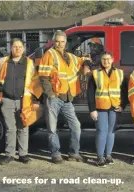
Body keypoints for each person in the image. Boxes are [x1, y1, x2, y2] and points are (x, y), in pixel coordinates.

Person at [38, 30, 87, 164]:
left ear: (66, 42)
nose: (60, 44)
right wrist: (50, 94)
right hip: (54, 97)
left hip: (67, 98)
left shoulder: (70, 56)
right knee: (52, 129)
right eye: (57, 41)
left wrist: (87, 62)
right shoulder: (49, 54)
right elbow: (43, 76)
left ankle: (74, 153)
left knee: (76, 126)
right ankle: (55, 154)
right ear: (54, 42)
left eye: (62, 41)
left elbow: (81, 62)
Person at [0, 38, 41, 165]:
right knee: (10, 128)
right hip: (7, 99)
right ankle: (9, 154)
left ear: (24, 48)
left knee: (23, 127)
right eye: (15, 46)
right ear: (11, 48)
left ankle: (23, 154)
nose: (18, 49)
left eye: (20, 47)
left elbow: (35, 82)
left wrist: (36, 99)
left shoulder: (29, 63)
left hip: (24, 100)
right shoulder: (3, 62)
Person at [87, 51, 124, 167]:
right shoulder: (95, 74)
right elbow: (90, 93)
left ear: (112, 60)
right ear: (101, 61)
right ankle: (100, 157)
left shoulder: (120, 73)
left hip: (114, 107)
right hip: (100, 106)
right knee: (102, 131)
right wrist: (92, 109)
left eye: (108, 59)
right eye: (104, 59)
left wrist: (123, 105)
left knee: (111, 132)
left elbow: (124, 91)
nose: (106, 61)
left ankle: (108, 155)